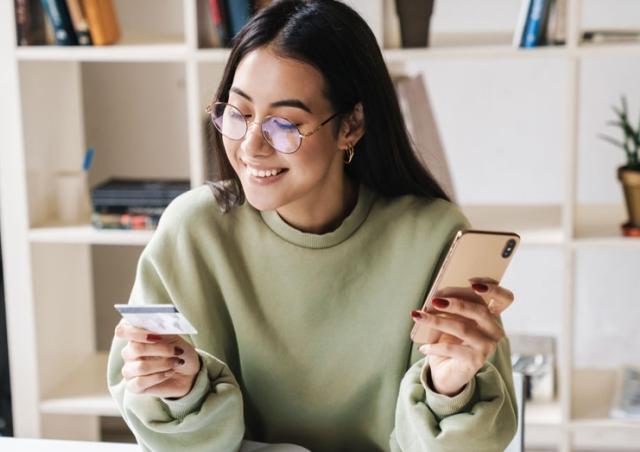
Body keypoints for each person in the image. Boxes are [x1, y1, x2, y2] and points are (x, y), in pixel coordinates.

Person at [107, 1, 518, 451]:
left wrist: (449, 387)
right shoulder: (194, 231)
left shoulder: (432, 236)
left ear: (351, 125)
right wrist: (180, 389)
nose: (251, 146)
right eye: (237, 113)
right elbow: (175, 440)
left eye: (285, 123)